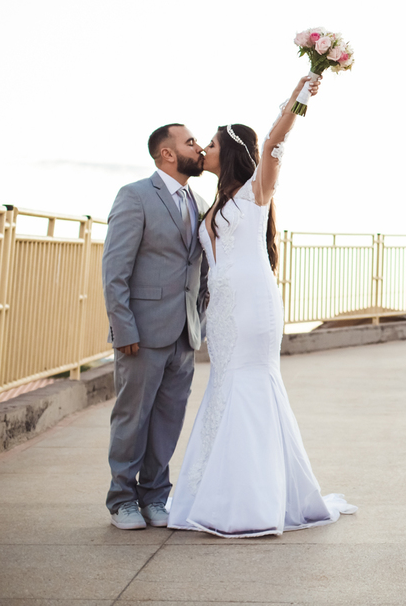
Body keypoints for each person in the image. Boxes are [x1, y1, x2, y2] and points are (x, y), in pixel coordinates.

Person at [168, 74, 357, 537]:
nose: (203, 151)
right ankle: (218, 492)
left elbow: (275, 137)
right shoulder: (215, 202)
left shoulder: (257, 189)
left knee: (251, 386)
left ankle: (255, 502)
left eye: (209, 145)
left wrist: (302, 91)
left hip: (254, 308)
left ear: (227, 151)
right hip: (224, 314)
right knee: (225, 388)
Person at [102, 123, 208, 530]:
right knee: (132, 417)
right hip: (142, 333)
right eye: (190, 142)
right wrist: (123, 328)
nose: (198, 148)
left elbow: (196, 268)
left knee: (168, 419)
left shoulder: (198, 201)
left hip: (184, 332)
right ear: (167, 154)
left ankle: (155, 496)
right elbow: (115, 269)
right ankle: (122, 500)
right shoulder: (135, 195)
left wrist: (198, 317)